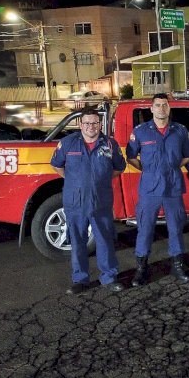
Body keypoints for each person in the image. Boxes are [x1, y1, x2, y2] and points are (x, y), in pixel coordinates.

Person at [50, 108, 126, 295]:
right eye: (87, 123)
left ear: (100, 124)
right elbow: (56, 165)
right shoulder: (67, 143)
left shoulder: (109, 144)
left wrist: (101, 181)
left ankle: (109, 277)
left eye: (94, 123)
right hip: (75, 202)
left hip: (101, 201)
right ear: (80, 125)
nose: (91, 127)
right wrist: (75, 182)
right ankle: (80, 279)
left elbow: (119, 168)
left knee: (104, 239)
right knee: (78, 241)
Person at [126, 93, 189, 286]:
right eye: (158, 105)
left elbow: (188, 156)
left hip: (173, 186)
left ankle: (177, 264)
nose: (161, 108)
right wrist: (148, 170)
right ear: (152, 108)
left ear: (169, 108)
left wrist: (171, 167)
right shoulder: (140, 131)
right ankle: (141, 268)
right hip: (149, 188)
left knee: (175, 227)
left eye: (165, 105)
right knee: (145, 229)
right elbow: (130, 156)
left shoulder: (180, 131)